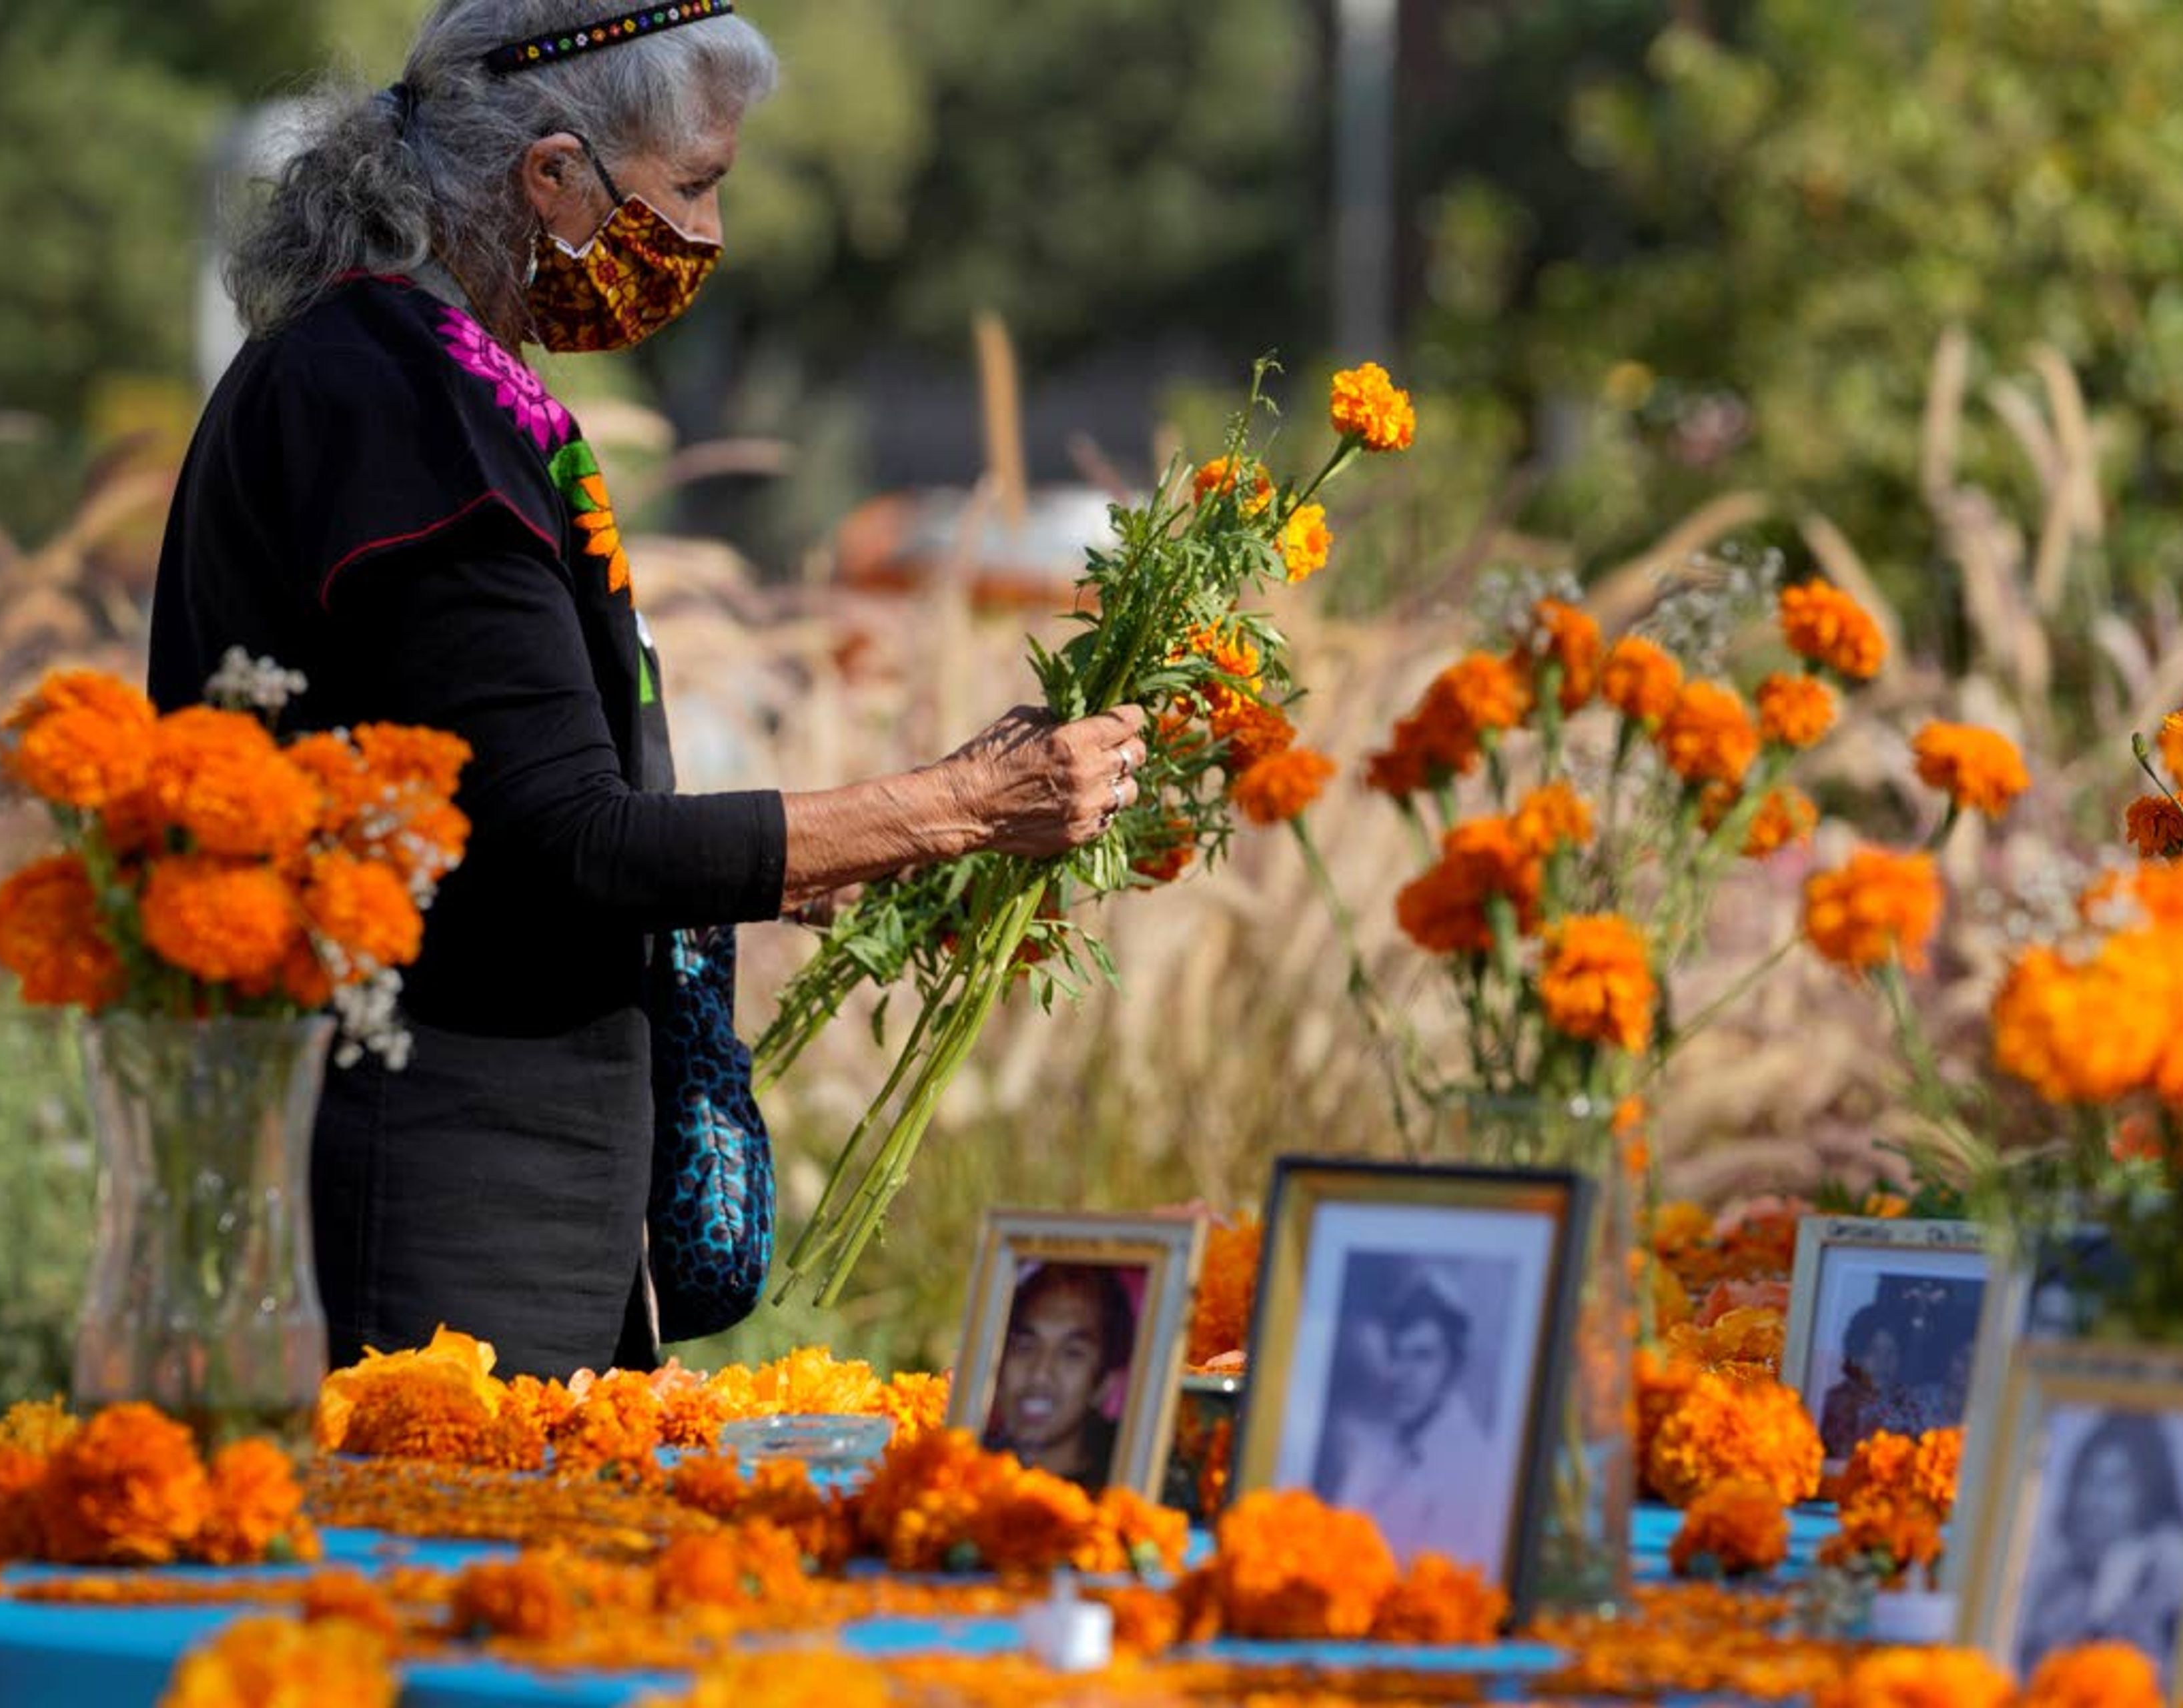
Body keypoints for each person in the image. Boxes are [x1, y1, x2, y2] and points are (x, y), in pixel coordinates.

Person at [147, 0, 1148, 1380]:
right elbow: (568, 838)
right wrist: (964, 806)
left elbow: (511, 795)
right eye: (692, 186)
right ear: (552, 176)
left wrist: (840, 846)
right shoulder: (396, 406)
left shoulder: (421, 381)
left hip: (491, 1188)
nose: (707, 239)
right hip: (431, 1212)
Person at [1318, 1276, 1504, 1572]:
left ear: (1454, 1365)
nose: (1402, 1373)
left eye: (1423, 1356)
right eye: (1396, 1354)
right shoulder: (1374, 1450)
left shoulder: (1474, 1467)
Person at [2018, 1411, 2183, 1680]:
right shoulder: (2058, 1583)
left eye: (2117, 1483)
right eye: (2090, 1480)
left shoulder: (2174, 1584)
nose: (2096, 1500)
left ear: (2148, 1490)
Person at [981, 1264, 1137, 1494]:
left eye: (1072, 1353)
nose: (1039, 1374)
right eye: (1025, 1347)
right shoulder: (966, 1476)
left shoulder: (1116, 1497)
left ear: (1106, 1384)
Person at [1819, 1300, 1921, 1457]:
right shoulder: (1837, 1403)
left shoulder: (1908, 1401)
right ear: (1857, 1356)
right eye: (1874, 1351)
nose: (1883, 1361)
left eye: (1892, 1352)